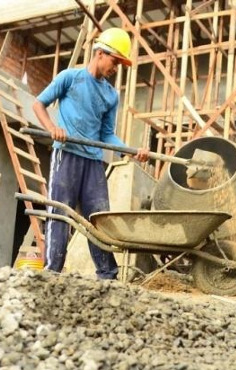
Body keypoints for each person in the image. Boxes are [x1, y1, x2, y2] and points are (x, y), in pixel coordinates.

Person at [33, 27, 149, 280]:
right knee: (60, 214)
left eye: (119, 64)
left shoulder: (110, 95)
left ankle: (107, 276)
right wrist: (53, 128)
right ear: (99, 53)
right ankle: (52, 273)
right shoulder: (70, 78)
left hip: (94, 163)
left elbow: (107, 135)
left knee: (99, 219)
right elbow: (38, 103)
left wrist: (130, 150)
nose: (116, 68)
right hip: (67, 156)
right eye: (115, 61)